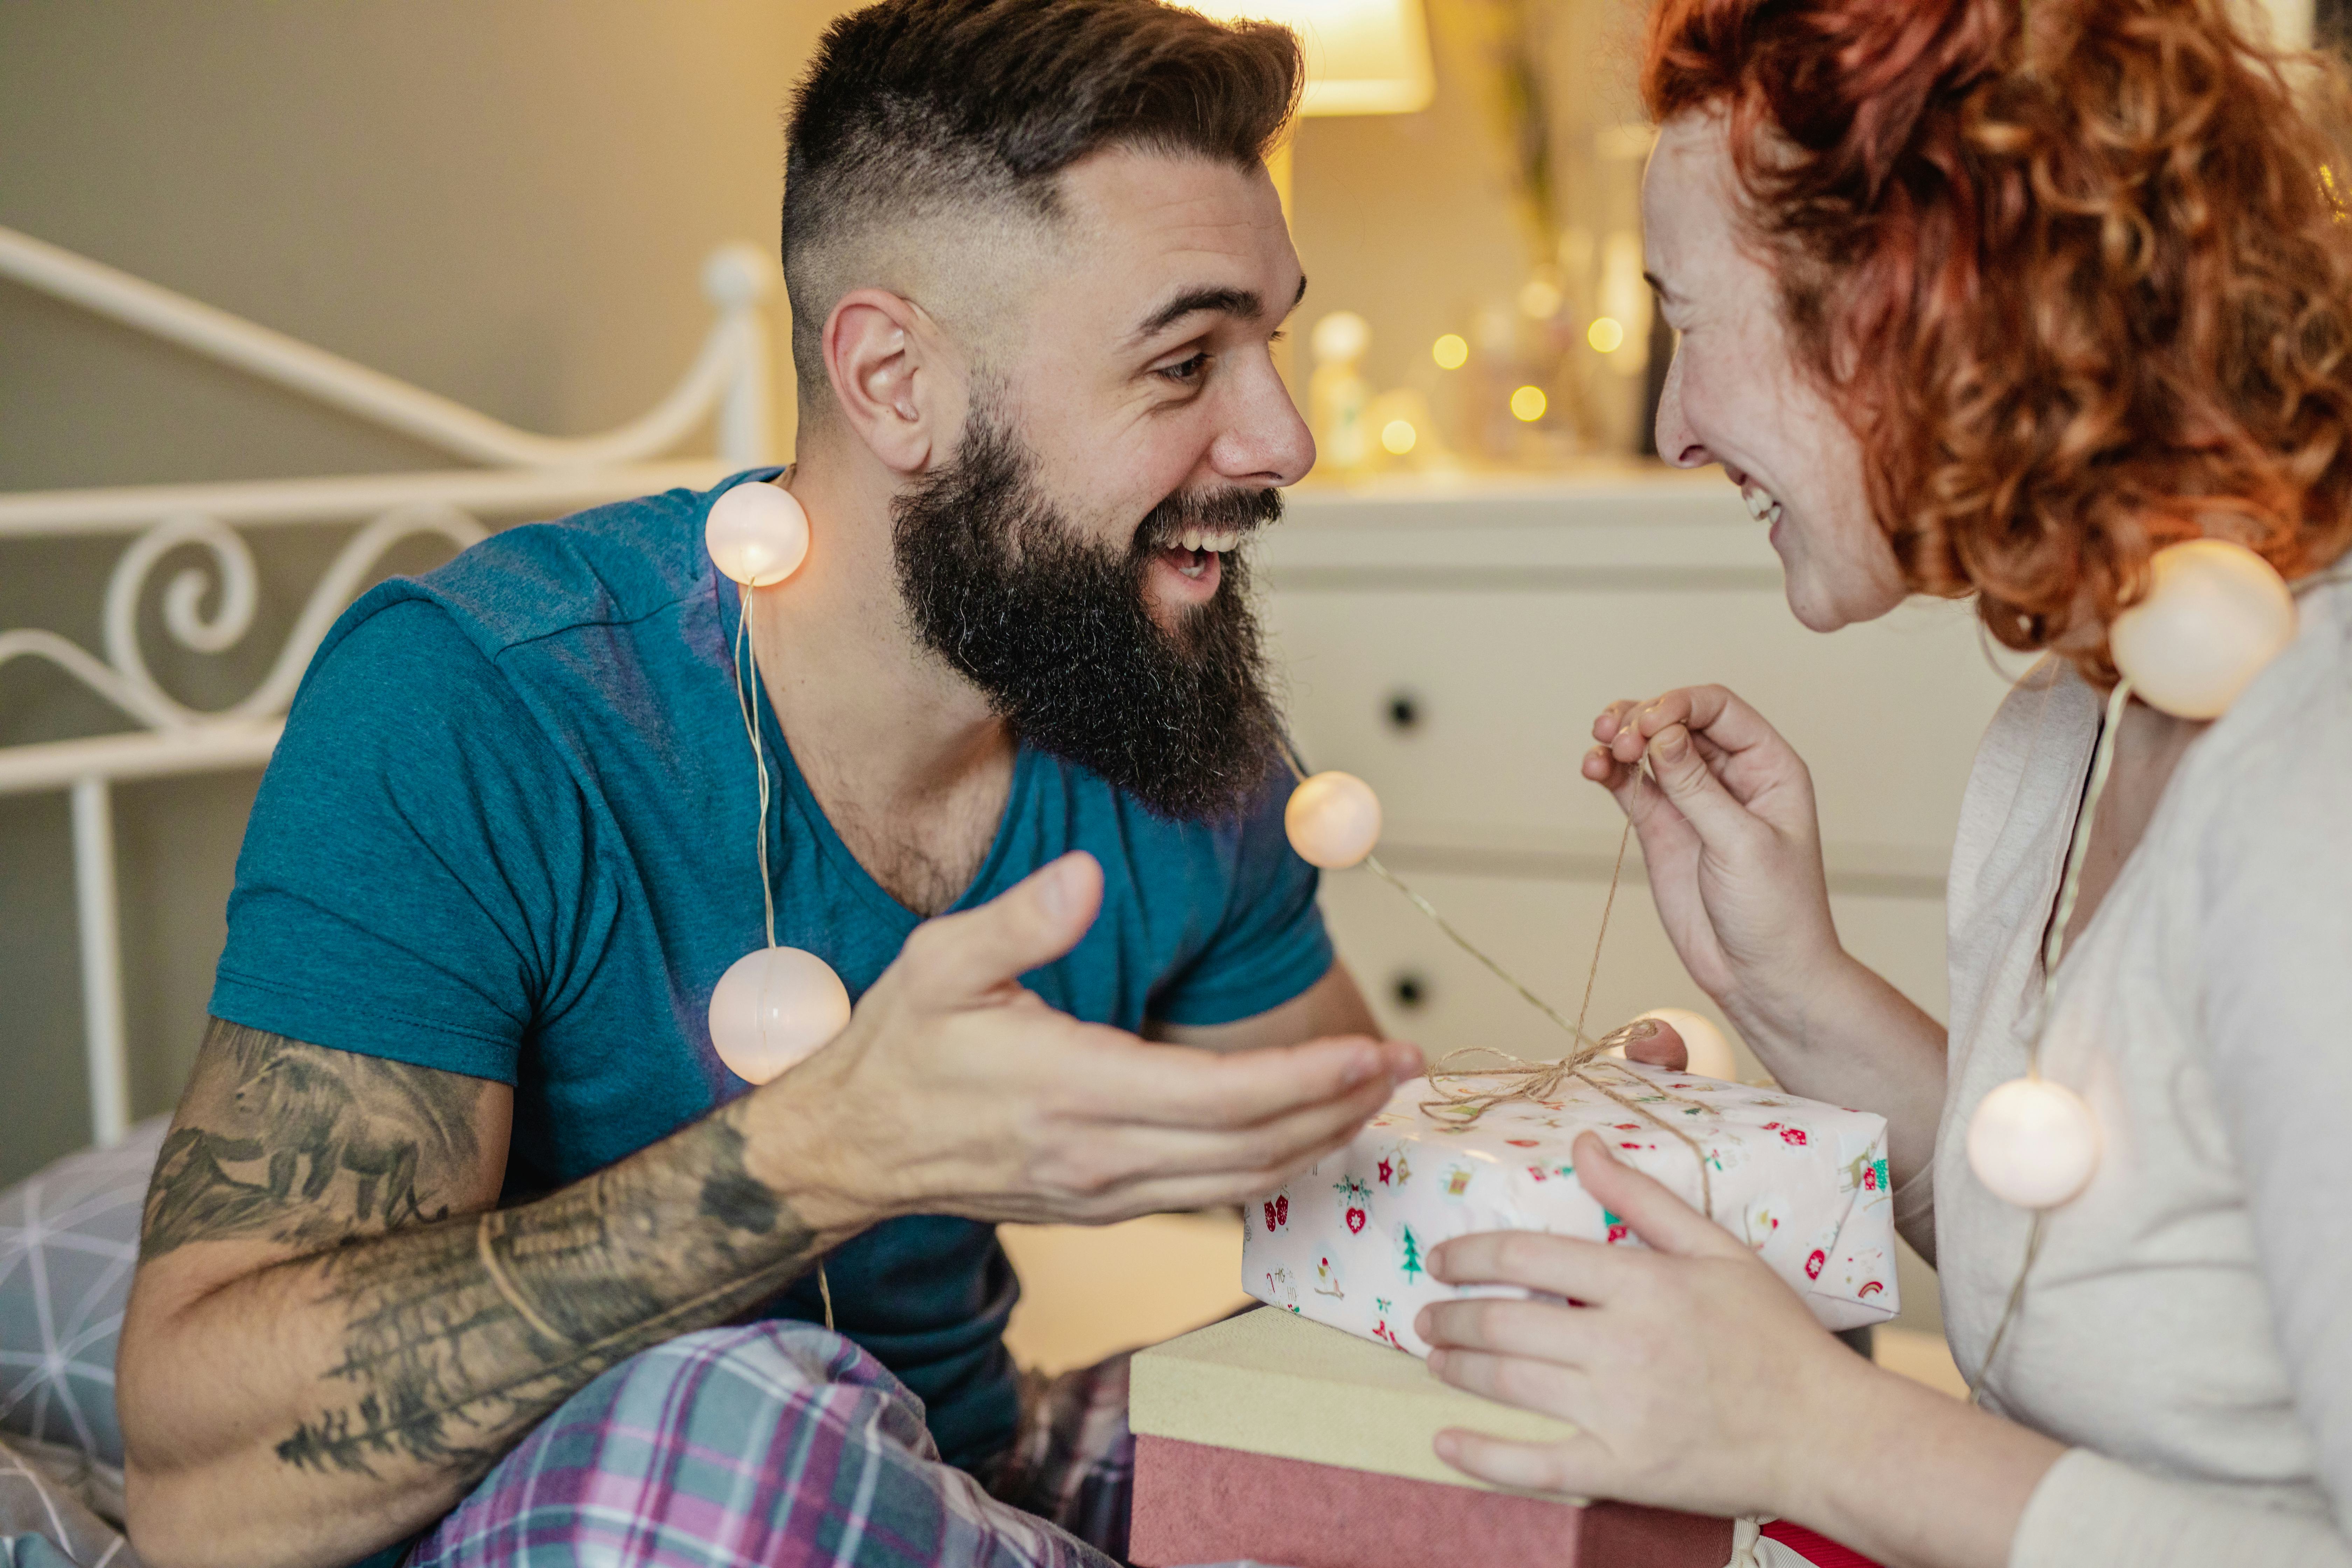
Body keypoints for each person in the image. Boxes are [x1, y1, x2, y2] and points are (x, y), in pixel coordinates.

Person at [112, 3, 1424, 1566]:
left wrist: (1592, 1146)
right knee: (739, 1419)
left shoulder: (1155, 715)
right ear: (893, 381)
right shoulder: (482, 703)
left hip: (967, 1466)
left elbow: (1357, 1184)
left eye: (1270, 340)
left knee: (1464, 1429)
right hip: (600, 1502)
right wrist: (830, 1150)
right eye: (1187, 357)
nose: (1286, 435)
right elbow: (198, 1491)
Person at [1412, 0, 2352, 1564]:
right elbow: (2103, 1256)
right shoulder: (2074, 715)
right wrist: (1792, 982)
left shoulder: (2315, 793)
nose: (1673, 425)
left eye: (1688, 323)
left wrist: (1806, 1427)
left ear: (1899, 308)